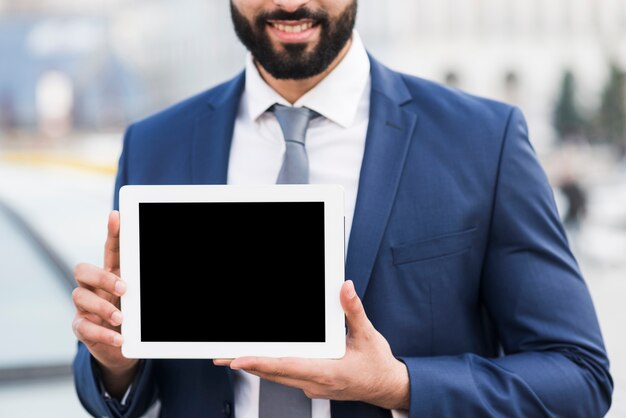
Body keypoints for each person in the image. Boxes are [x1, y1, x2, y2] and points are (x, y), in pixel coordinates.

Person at [71, 1, 613, 417]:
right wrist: (116, 363)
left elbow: (579, 375)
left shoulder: (482, 141)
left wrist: (400, 384)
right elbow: (124, 389)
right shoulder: (156, 143)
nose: (289, 3)